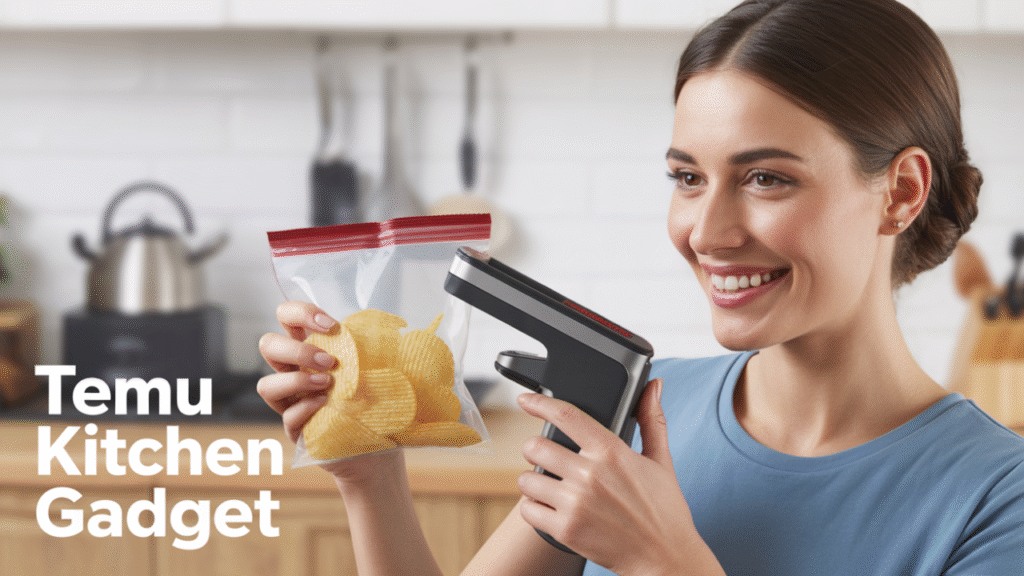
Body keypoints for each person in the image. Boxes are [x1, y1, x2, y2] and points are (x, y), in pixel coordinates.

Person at [257, 0, 1024, 574]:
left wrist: (670, 562)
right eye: (688, 178)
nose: (708, 231)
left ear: (900, 192)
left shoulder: (995, 501)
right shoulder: (636, 409)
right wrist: (370, 480)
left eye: (766, 178)